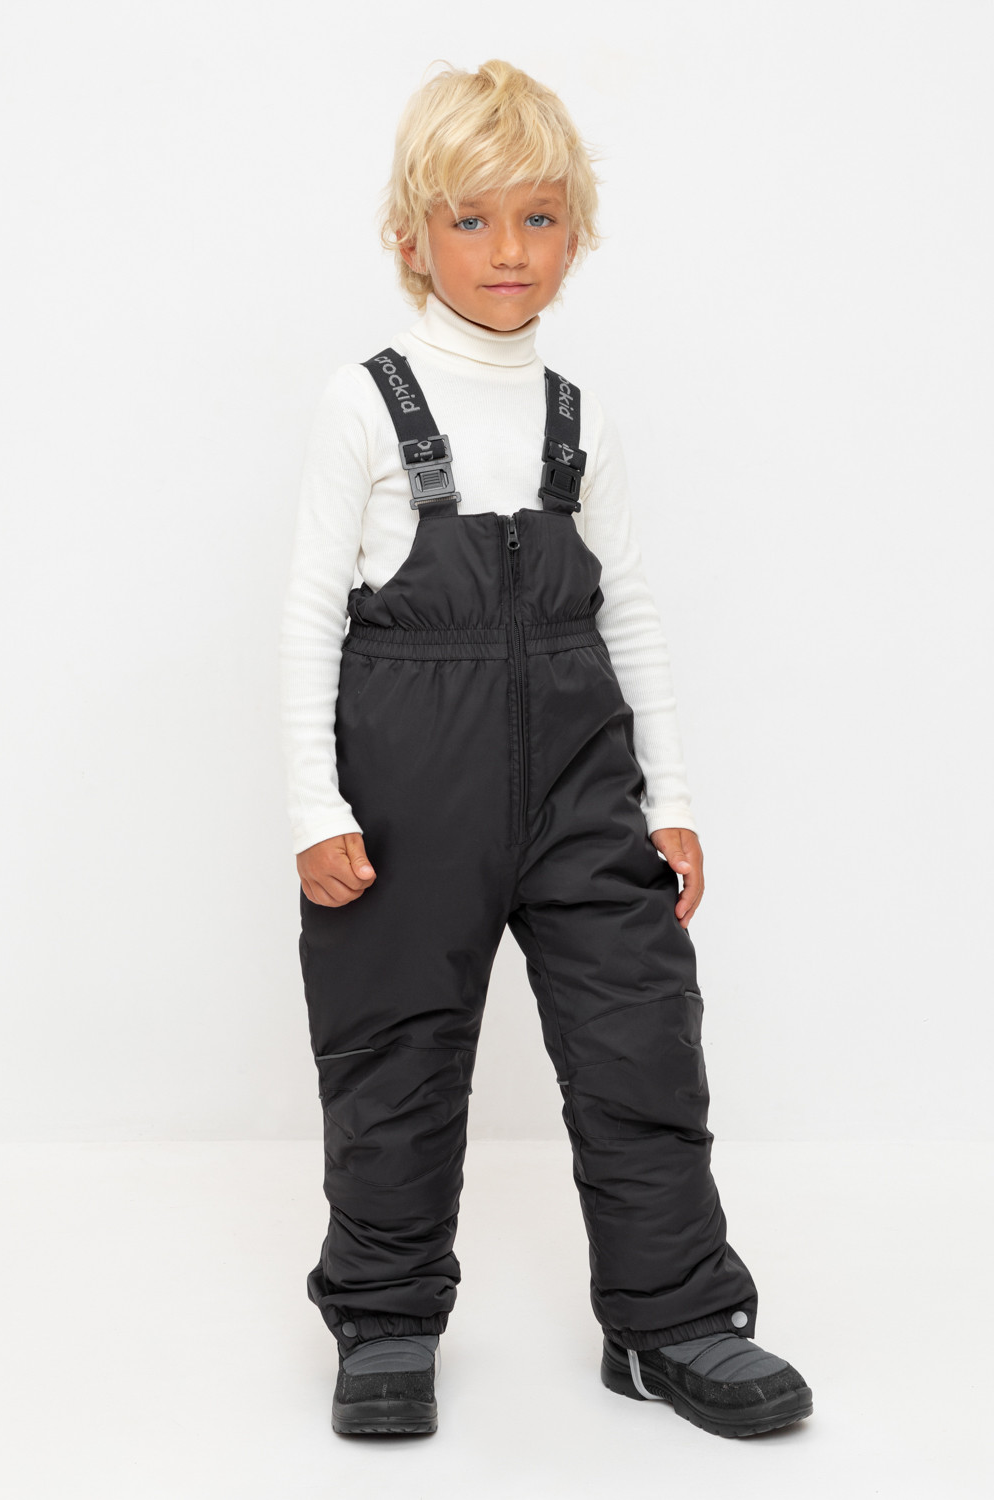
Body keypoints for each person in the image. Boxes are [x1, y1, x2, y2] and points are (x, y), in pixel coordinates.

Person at [279, 58, 812, 1440]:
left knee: (643, 1044)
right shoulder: (367, 404)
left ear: (575, 233)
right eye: (470, 219)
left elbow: (629, 613)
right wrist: (313, 806)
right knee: (394, 1057)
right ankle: (386, 1318)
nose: (507, 249)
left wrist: (670, 798)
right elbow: (307, 617)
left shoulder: (580, 417)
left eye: (537, 218)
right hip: (407, 802)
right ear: (413, 237)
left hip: (584, 794)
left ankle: (671, 1319)